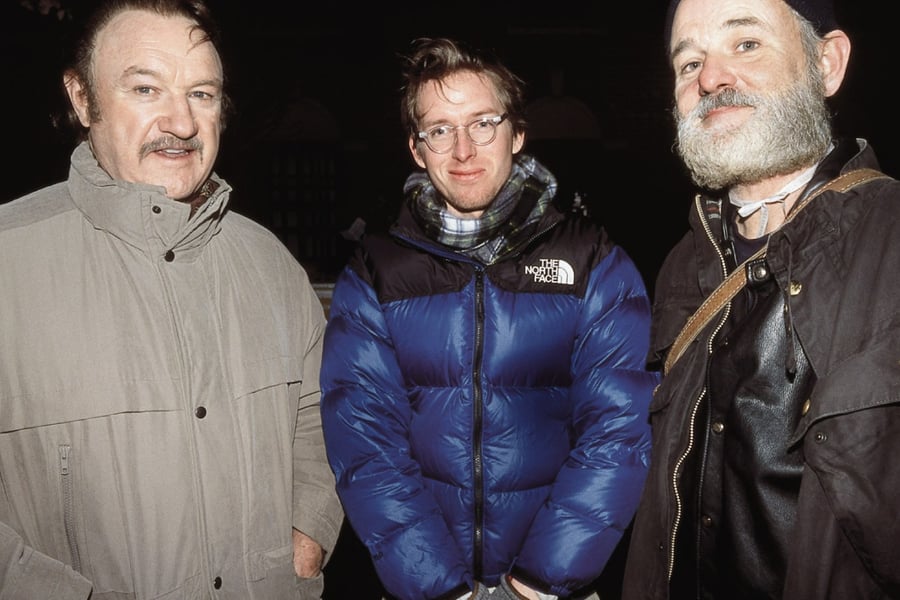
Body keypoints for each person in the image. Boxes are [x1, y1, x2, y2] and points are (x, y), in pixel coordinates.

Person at [0, 1, 343, 598]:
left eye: (202, 94)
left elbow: (322, 417)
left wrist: (306, 539)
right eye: (145, 88)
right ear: (82, 99)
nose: (181, 122)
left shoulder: (270, 263)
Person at [319, 37, 656, 600]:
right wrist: (437, 586)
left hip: (555, 585)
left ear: (517, 134)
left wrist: (540, 578)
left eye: (482, 123)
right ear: (415, 147)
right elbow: (365, 442)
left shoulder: (591, 260)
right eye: (439, 130)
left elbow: (618, 429)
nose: (463, 151)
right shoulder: (376, 271)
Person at [622, 0, 900, 598]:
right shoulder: (683, 263)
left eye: (745, 44)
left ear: (827, 64)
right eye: (688, 61)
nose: (711, 78)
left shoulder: (893, 241)